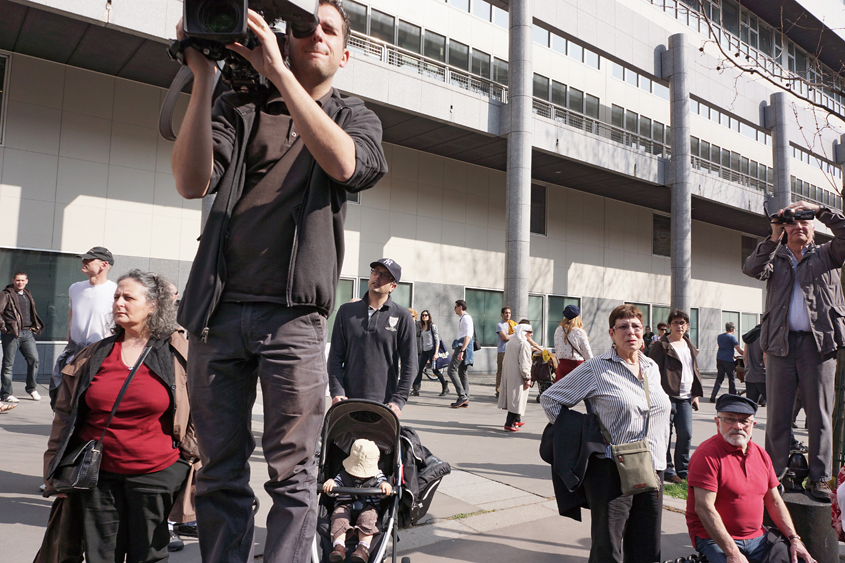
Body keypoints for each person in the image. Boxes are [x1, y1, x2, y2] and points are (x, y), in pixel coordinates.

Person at [170, 1, 388, 560]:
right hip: (217, 312)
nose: (314, 33)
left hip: (294, 318)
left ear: (345, 53)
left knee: (293, 474)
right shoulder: (240, 106)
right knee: (218, 470)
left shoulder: (354, 115)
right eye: (302, 25)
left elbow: (346, 166)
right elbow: (192, 181)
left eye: (329, 29)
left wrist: (281, 74)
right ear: (283, 38)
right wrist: (202, 78)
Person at [42, 270, 198, 563]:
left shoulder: (176, 353)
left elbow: (203, 409)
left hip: (156, 474)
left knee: (148, 555)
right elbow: (64, 415)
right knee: (101, 555)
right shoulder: (94, 354)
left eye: (128, 297)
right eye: (116, 297)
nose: (119, 303)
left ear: (153, 305)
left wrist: (185, 461)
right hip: (97, 474)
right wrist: (54, 469)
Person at [540, 304, 671, 563]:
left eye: (635, 327)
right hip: (611, 468)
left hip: (652, 466)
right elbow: (550, 398)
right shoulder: (597, 368)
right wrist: (584, 436)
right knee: (607, 548)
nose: (630, 332)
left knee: (646, 544)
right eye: (623, 327)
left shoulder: (651, 367)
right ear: (612, 333)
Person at [742, 200, 845, 500]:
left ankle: (819, 479)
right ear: (785, 228)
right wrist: (773, 235)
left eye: (805, 222)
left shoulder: (828, 254)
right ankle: (775, 476)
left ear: (814, 228)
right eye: (792, 224)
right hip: (779, 346)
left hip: (819, 344)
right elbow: (752, 268)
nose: (799, 227)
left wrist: (822, 210)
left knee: (820, 414)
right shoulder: (776, 258)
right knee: (777, 415)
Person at [686, 395, 814, 563]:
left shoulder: (761, 455)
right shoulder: (707, 455)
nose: (737, 426)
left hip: (758, 538)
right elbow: (704, 508)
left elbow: (774, 501)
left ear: (753, 425)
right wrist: (733, 553)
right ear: (717, 423)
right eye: (730, 419)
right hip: (714, 538)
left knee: (798, 559)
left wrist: (794, 538)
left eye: (744, 421)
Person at [328, 259, 415, 417]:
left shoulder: (402, 316)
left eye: (384, 275)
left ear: (393, 287)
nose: (377, 277)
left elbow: (410, 363)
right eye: (375, 272)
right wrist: (337, 391)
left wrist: (398, 400)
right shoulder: (346, 312)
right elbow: (335, 356)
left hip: (384, 405)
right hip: (347, 402)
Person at [51, 247, 118, 408]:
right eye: (84, 258)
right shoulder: (75, 288)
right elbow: (72, 312)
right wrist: (69, 333)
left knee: (95, 399)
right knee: (65, 398)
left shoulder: (116, 290)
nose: (83, 262)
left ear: (104, 265)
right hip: (74, 352)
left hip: (102, 353)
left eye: (89, 260)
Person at [648, 309, 703, 485]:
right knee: (666, 434)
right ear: (670, 325)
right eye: (676, 322)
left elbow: (694, 370)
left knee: (686, 434)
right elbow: (651, 370)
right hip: (666, 395)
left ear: (687, 326)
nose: (679, 326)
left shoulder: (688, 345)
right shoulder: (661, 345)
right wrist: (655, 395)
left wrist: (695, 394)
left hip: (686, 397)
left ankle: (684, 470)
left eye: (683, 323)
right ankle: (669, 470)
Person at [323, 439, 392, 563]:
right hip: (344, 505)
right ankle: (339, 547)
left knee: (368, 518)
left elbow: (383, 489)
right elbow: (333, 492)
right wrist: (331, 484)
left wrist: (385, 486)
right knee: (339, 518)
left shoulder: (377, 476)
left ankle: (363, 549)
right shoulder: (343, 474)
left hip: (369, 506)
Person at [0, 271, 44, 402]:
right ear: (13, 280)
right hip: (12, 334)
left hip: (27, 333)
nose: (20, 282)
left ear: (26, 281)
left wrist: (34, 326)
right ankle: (6, 394)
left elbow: (30, 312)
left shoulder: (27, 294)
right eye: (18, 280)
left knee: (34, 360)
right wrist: (5, 329)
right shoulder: (5, 294)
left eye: (23, 280)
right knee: (8, 364)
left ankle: (31, 388)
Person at [499, 323, 534, 431]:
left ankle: (517, 420)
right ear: (524, 332)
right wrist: (527, 377)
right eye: (530, 332)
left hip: (509, 373)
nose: (531, 334)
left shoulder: (511, 341)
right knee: (517, 399)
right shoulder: (524, 343)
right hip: (518, 375)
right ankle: (509, 423)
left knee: (515, 398)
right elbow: (525, 362)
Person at [411, 309, 447, 396]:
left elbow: (437, 339)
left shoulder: (432, 326)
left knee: (435, 370)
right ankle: (416, 390)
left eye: (426, 315)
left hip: (432, 350)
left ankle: (445, 385)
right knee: (419, 369)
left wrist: (436, 353)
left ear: (429, 316)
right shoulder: (422, 327)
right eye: (423, 315)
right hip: (425, 351)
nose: (424, 316)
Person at [553, 304, 592, 382]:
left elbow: (557, 348)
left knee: (562, 392)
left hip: (562, 366)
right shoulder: (579, 331)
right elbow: (587, 354)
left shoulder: (558, 330)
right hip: (577, 367)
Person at [447, 299, 474, 408]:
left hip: (463, 347)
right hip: (462, 347)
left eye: (455, 307)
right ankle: (465, 398)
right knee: (462, 372)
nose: (454, 309)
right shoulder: (465, 318)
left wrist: (461, 351)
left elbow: (468, 336)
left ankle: (462, 396)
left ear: (460, 307)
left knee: (451, 370)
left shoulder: (466, 318)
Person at [711, 322, 743, 402]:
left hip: (720, 358)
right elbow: (738, 350)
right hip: (728, 360)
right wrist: (746, 354)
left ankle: (713, 395)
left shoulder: (720, 336)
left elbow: (724, 348)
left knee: (719, 378)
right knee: (731, 379)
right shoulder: (732, 338)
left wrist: (733, 355)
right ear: (733, 329)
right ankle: (732, 396)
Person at [742, 324, 766, 407]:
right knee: (774, 404)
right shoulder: (764, 336)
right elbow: (765, 357)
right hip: (762, 375)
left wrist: (748, 368)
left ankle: (747, 420)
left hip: (749, 375)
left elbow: (744, 357)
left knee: (750, 406)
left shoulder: (749, 338)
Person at [495, 307, 516, 398]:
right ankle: (499, 391)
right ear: (502, 314)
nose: (508, 315)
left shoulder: (513, 324)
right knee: (501, 371)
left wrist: (508, 336)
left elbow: (507, 337)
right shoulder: (500, 325)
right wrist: (511, 336)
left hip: (512, 350)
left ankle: (507, 390)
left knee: (510, 372)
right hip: (502, 351)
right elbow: (505, 337)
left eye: (509, 313)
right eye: (506, 313)